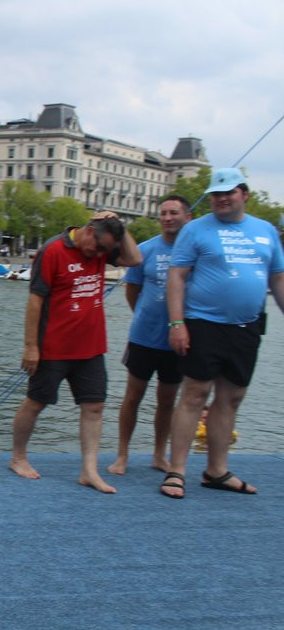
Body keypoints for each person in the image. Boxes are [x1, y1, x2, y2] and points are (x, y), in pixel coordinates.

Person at [160, 168, 284, 499]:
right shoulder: (195, 230)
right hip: (203, 323)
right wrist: (176, 323)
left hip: (247, 326)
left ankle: (216, 470)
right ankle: (176, 471)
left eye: (229, 192)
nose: (222, 199)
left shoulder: (266, 231)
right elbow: (176, 277)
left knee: (231, 397)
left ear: (245, 194)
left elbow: (278, 280)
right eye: (216, 194)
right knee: (194, 394)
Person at [10, 212, 142, 493]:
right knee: (36, 401)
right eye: (99, 247)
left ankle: (89, 470)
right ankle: (18, 457)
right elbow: (35, 300)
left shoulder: (101, 252)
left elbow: (134, 260)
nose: (101, 254)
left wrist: (121, 227)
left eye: (107, 250)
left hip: (91, 346)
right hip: (53, 346)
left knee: (95, 406)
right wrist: (31, 346)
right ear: (89, 230)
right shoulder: (53, 250)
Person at [107, 195, 192, 475]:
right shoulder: (145, 251)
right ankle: (122, 455)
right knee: (133, 397)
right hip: (144, 338)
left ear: (187, 217)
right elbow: (132, 291)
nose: (168, 218)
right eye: (163, 213)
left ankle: (159, 455)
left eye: (174, 213)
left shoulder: (195, 252)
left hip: (177, 340)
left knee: (167, 400)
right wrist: (144, 316)